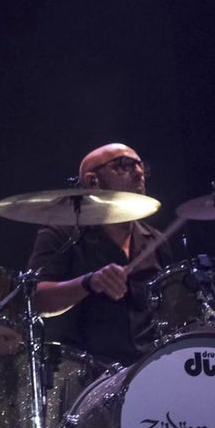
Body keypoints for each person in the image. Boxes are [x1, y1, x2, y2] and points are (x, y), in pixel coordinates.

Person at [25, 143, 176, 365]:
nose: (139, 173)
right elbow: (37, 299)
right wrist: (89, 282)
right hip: (86, 372)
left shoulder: (156, 240)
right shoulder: (62, 233)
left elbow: (172, 310)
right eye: (125, 165)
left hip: (150, 368)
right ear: (92, 181)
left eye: (141, 167)